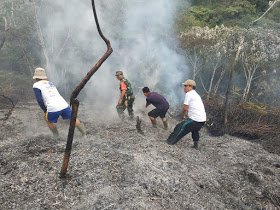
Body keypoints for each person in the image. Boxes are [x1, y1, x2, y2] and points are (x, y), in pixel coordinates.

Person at [32, 67, 86, 137]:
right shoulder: (50, 83)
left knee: (47, 119)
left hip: (53, 107)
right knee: (73, 118)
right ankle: (84, 134)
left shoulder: (36, 85)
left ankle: (56, 136)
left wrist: (45, 110)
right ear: (44, 77)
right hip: (64, 105)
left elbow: (39, 100)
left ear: (36, 77)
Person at [166, 79, 206, 149]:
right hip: (202, 120)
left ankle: (170, 142)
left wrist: (181, 116)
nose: (184, 87)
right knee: (195, 130)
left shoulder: (189, 94)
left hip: (195, 119)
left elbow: (185, 108)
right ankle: (196, 145)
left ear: (190, 86)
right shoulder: (195, 94)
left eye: (185, 86)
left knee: (179, 127)